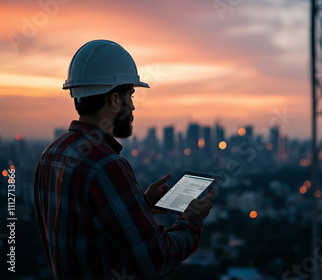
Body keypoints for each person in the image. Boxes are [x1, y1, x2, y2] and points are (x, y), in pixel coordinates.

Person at [33, 39, 214, 279]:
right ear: (115, 99)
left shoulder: (50, 155)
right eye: (131, 95)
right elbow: (156, 259)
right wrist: (192, 219)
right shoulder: (105, 165)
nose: (133, 106)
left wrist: (141, 204)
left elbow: (87, 225)